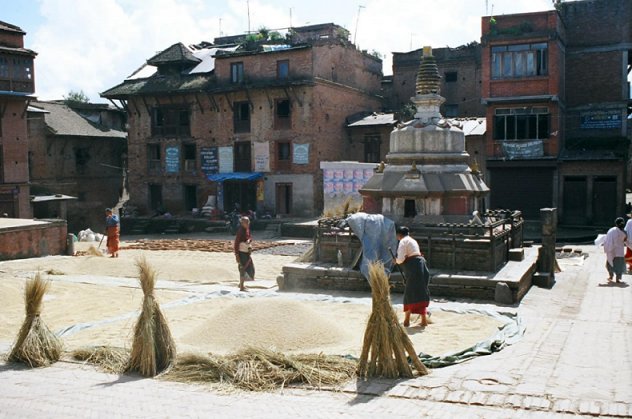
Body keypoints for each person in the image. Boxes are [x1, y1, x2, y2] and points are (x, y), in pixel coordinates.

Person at [393, 226, 431, 327]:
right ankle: (423, 320)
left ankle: (407, 320)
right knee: (421, 291)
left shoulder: (403, 242)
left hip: (414, 267)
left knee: (410, 293)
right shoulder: (412, 240)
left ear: (399, 235)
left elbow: (400, 259)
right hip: (421, 265)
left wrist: (396, 260)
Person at [234, 216, 255, 291]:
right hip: (241, 253)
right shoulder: (240, 231)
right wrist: (236, 255)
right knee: (243, 268)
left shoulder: (247, 229)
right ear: (242, 223)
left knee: (250, 268)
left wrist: (249, 240)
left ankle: (241, 284)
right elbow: (236, 243)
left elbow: (250, 237)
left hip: (247, 252)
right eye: (246, 222)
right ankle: (242, 287)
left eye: (248, 222)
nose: (248, 223)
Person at [603, 217, 627, 283]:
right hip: (619, 252)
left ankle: (611, 276)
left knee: (609, 264)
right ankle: (618, 278)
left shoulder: (612, 230)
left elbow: (607, 238)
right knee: (619, 266)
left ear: (616, 224)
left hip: (612, 251)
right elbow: (625, 240)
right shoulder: (624, 232)